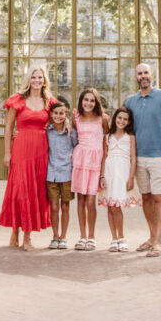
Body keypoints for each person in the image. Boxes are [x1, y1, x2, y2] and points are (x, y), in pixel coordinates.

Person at [0, 66, 58, 251]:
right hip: (21, 149)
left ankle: (27, 237)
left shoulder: (50, 102)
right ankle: (15, 230)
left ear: (44, 80)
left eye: (40, 77)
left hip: (40, 151)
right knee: (19, 189)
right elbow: (8, 127)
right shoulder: (18, 100)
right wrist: (7, 152)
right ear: (29, 79)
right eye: (34, 77)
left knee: (34, 191)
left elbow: (59, 121)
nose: (37, 80)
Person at [124, 63, 161, 258]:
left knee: (158, 197)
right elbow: (123, 127)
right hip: (139, 158)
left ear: (151, 75)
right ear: (136, 77)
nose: (143, 76)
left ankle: (158, 242)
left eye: (146, 72)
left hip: (160, 157)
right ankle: (152, 236)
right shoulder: (130, 101)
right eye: (139, 73)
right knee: (145, 197)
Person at [70, 87, 108, 251]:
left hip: (95, 161)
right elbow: (65, 133)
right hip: (80, 160)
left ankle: (92, 237)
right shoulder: (75, 118)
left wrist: (103, 172)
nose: (88, 103)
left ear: (96, 103)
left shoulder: (103, 119)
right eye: (86, 100)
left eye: (92, 100)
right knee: (81, 200)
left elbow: (106, 144)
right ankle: (82, 236)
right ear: (81, 101)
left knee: (91, 201)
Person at [97, 107, 139, 252]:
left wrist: (131, 177)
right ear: (115, 118)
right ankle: (114, 239)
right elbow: (104, 157)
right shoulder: (107, 136)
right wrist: (102, 176)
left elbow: (133, 158)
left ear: (129, 122)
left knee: (117, 206)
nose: (121, 121)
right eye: (119, 118)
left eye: (125, 119)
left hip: (122, 173)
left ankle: (121, 237)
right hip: (109, 172)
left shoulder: (130, 137)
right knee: (110, 205)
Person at [45, 101, 77, 250]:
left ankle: (63, 237)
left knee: (65, 206)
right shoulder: (47, 131)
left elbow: (78, 147)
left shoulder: (71, 132)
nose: (58, 116)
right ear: (51, 114)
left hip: (66, 174)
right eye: (55, 113)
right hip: (51, 174)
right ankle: (55, 236)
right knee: (54, 206)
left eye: (61, 113)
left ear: (66, 115)